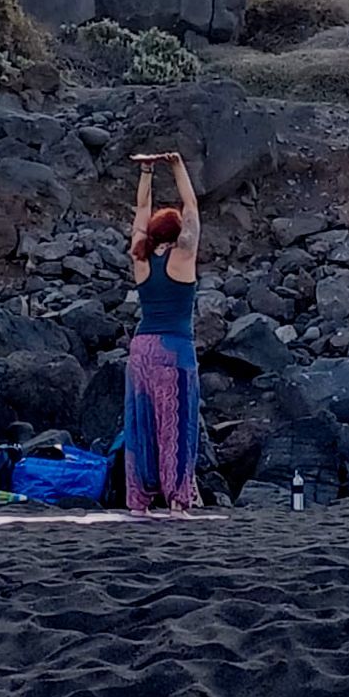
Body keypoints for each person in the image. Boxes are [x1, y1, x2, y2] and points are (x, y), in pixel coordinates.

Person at [125, 151, 202, 515]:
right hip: (174, 348)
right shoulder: (183, 257)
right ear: (177, 234)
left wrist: (146, 171)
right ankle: (176, 499)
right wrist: (176, 165)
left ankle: (140, 500)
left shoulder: (141, 258)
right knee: (176, 421)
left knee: (142, 422)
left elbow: (141, 212)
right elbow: (191, 206)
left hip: (142, 348)